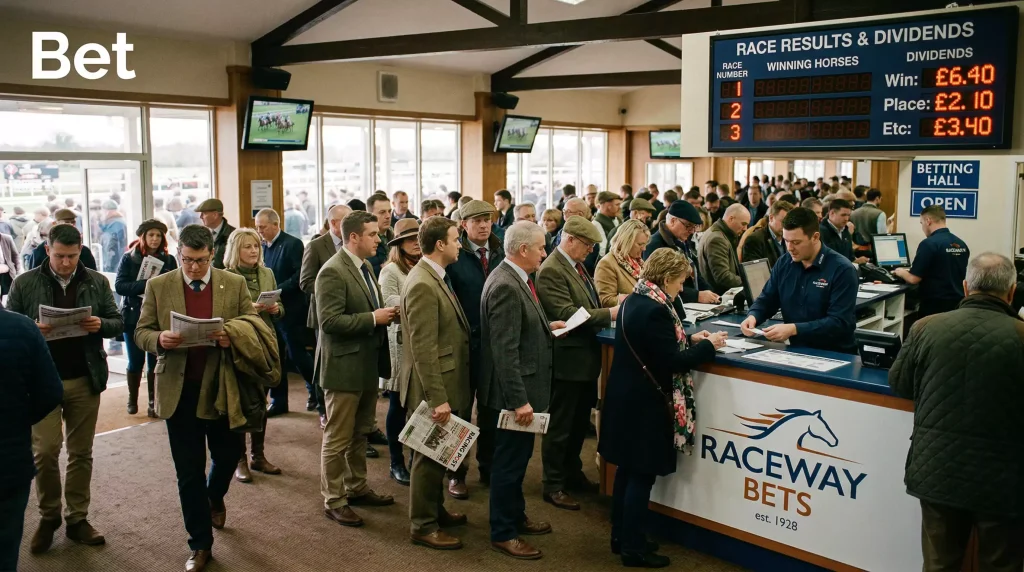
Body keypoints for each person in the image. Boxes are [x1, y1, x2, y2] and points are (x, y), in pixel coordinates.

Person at [135, 223, 275, 572]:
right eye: (187, 260)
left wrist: (232, 335)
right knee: (188, 472)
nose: (193, 267)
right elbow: (141, 331)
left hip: (222, 388)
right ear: (178, 254)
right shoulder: (159, 285)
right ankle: (200, 544)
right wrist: (159, 339)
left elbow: (251, 321)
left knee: (227, 456)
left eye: (200, 260)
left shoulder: (233, 283)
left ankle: (213, 497)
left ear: (212, 254)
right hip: (179, 389)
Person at [889, 252, 1024, 572]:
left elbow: (900, 384)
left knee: (939, 563)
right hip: (1005, 480)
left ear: (965, 287)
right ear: (1011, 292)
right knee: (1001, 564)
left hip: (937, 471)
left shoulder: (925, 327)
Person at [601, 249, 725, 568]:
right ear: (667, 278)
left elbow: (655, 346)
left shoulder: (634, 299)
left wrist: (690, 339)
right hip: (646, 404)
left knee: (626, 471)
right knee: (641, 476)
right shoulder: (657, 310)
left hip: (626, 398)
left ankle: (621, 536)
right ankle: (633, 548)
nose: (682, 288)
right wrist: (709, 346)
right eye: (680, 281)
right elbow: (672, 362)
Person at [6, 224, 122, 554]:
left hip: (84, 377)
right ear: (47, 250)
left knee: (81, 452)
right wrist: (31, 329)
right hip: (41, 382)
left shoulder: (97, 281)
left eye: (72, 256)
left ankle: (77, 518)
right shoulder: (24, 283)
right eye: (60, 256)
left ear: (80, 250)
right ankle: (49, 516)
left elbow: (117, 321)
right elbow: (9, 328)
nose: (67, 263)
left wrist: (100, 324)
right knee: (44, 452)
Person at [480, 222, 564, 559]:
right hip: (513, 397)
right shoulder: (506, 285)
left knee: (518, 460)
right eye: (541, 247)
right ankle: (503, 532)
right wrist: (519, 401)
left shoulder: (517, 278)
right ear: (523, 249)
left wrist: (546, 326)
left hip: (522, 392)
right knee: (509, 465)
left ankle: (515, 516)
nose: (545, 253)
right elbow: (504, 352)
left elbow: (519, 331)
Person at [316, 210, 397, 528]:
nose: (379, 239)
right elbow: (329, 321)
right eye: (373, 234)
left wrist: (383, 314)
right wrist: (374, 318)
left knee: (360, 432)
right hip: (342, 368)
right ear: (353, 237)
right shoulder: (332, 271)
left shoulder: (364, 266)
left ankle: (357, 488)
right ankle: (334, 499)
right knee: (338, 437)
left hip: (364, 364)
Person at [398, 216, 471, 550]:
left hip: (445, 379)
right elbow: (423, 348)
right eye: (456, 239)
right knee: (428, 458)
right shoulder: (423, 283)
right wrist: (437, 398)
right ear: (440, 244)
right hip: (434, 386)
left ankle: (435, 510)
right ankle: (423, 525)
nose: (460, 245)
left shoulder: (433, 275)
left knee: (440, 456)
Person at [536, 216, 619, 511]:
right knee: (560, 426)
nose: (591, 250)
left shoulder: (577, 266)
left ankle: (571, 473)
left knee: (576, 425)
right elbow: (568, 313)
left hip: (583, 359)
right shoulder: (552, 270)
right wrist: (609, 313)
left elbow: (586, 306)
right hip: (567, 361)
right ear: (569, 239)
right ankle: (553, 484)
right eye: (587, 245)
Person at [446, 200, 505, 497]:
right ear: (463, 224)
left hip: (496, 345)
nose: (483, 225)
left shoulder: (501, 251)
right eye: (477, 220)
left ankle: (489, 468)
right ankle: (456, 473)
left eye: (487, 219)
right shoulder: (455, 254)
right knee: (459, 411)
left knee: (491, 410)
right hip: (463, 345)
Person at [741, 207, 859, 353]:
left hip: (835, 352)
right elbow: (768, 299)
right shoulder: (784, 263)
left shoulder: (842, 270)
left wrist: (794, 329)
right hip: (796, 349)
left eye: (796, 242)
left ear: (815, 237)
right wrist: (753, 316)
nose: (790, 248)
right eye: (786, 241)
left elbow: (839, 322)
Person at [0, 306, 63, 572]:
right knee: (4, 550)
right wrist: (18, 421)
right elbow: (50, 392)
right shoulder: (23, 328)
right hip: (9, 462)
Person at [224, 227, 283, 483]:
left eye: (256, 246)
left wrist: (276, 309)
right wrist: (250, 309)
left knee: (261, 401)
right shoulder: (226, 276)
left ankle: (258, 456)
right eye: (247, 246)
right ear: (235, 250)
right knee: (239, 403)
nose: (253, 250)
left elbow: (281, 307)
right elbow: (223, 314)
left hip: (265, 343)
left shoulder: (267, 272)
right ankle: (239, 460)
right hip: (240, 345)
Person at [114, 219, 178, 417]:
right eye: (151, 235)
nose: (155, 239)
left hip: (158, 317)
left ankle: (153, 401)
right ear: (143, 237)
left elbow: (176, 284)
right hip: (133, 316)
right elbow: (120, 286)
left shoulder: (169, 260)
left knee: (155, 361)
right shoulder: (129, 258)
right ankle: (132, 399)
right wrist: (147, 283)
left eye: (158, 235)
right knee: (135, 361)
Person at [256, 208, 312, 416]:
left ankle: (316, 391)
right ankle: (279, 401)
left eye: (262, 227)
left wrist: (276, 290)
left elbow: (299, 276)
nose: (259, 231)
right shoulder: (262, 246)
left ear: (275, 225)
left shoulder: (292, 244)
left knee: (297, 355)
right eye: (257, 227)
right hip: (271, 310)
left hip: (292, 309)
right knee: (276, 356)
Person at [300, 204, 352, 424]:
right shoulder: (316, 246)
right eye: (347, 221)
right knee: (325, 365)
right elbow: (305, 282)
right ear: (334, 223)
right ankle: (324, 410)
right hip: (324, 314)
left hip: (352, 312)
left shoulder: (352, 243)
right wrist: (334, 290)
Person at [378, 219, 421, 486]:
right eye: (410, 239)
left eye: (418, 238)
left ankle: (418, 459)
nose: (416, 243)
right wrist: (423, 302)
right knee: (398, 405)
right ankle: (396, 461)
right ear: (399, 244)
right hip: (399, 345)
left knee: (420, 406)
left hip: (422, 342)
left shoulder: (425, 265)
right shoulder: (390, 270)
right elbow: (390, 304)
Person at [893, 206, 970, 317]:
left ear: (928, 221)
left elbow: (913, 279)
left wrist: (900, 272)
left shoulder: (928, 244)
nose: (922, 227)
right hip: (957, 304)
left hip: (934, 306)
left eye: (921, 223)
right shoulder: (961, 244)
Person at [644, 201, 720, 305]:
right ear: (673, 221)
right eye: (688, 226)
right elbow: (658, 285)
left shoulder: (681, 240)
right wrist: (697, 296)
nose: (692, 231)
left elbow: (695, 275)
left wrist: (712, 294)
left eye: (694, 226)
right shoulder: (654, 245)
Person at [595, 219, 650, 308]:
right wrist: (637, 299)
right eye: (640, 244)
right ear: (626, 242)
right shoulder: (606, 264)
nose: (644, 249)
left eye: (645, 244)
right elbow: (605, 301)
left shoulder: (638, 262)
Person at [697, 203, 750, 295]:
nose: (745, 229)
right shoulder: (717, 239)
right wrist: (749, 281)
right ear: (731, 219)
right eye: (743, 224)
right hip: (719, 296)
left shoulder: (719, 233)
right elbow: (723, 277)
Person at [31, 209, 98, 271]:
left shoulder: (84, 251)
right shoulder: (40, 251)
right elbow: (34, 276)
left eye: (73, 222)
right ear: (54, 223)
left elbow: (92, 275)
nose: (71, 225)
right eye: (66, 222)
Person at [739, 200, 794, 268]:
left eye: (789, 222)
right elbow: (754, 271)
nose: (786, 226)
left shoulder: (790, 238)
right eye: (783, 221)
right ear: (771, 218)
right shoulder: (754, 240)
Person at [553, 198, 600, 276]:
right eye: (564, 211)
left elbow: (588, 266)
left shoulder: (591, 237)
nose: (564, 216)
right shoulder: (560, 233)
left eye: (568, 212)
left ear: (580, 215)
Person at [819, 198, 868, 264]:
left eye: (848, 215)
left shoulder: (845, 230)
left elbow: (850, 257)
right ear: (832, 213)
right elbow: (828, 260)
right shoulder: (821, 232)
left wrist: (856, 261)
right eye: (843, 215)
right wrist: (854, 263)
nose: (846, 219)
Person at [194, 199, 236, 270]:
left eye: (204, 213)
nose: (201, 217)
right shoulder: (201, 234)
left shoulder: (233, 235)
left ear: (215, 215)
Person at [366, 193, 395, 277]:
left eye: (389, 211)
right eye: (382, 212)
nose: (388, 216)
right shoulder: (364, 241)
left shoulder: (397, 237)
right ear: (370, 215)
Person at [98, 200, 127, 273]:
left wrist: (108, 267)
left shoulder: (115, 224)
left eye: (103, 210)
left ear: (107, 211)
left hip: (114, 264)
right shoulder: (116, 222)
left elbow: (111, 247)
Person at [592, 191, 623, 258]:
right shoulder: (596, 223)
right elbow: (603, 249)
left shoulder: (618, 219)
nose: (620, 208)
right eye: (617, 205)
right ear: (606, 206)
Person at [0, 230, 20, 297]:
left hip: (6, 275)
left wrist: (17, 271)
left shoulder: (7, 238)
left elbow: (15, 255)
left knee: (7, 297)